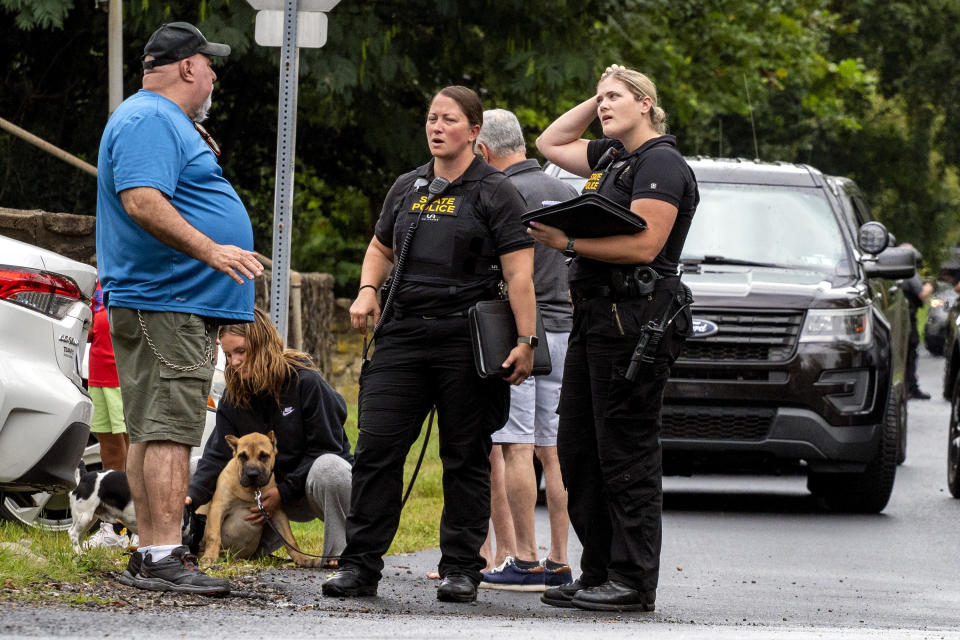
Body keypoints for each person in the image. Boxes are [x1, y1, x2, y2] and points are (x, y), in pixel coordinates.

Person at [322, 86, 537, 604]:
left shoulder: (495, 191)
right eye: (431, 118)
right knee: (376, 450)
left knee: (465, 455)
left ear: (474, 131)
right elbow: (379, 247)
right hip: (402, 336)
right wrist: (368, 290)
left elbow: (520, 274)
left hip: (466, 338)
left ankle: (462, 567)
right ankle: (359, 566)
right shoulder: (408, 186)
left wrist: (527, 341)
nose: (436, 127)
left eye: (449, 119)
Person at [95, 21, 263, 594]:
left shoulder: (162, 120)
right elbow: (142, 200)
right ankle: (165, 553)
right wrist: (212, 250)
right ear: (188, 67)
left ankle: (151, 553)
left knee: (150, 431)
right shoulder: (149, 118)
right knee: (169, 432)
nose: (213, 74)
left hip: (167, 300)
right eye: (208, 64)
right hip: (167, 300)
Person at [531, 64, 697, 612]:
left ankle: (631, 580)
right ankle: (598, 570)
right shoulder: (612, 157)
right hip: (594, 320)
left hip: (636, 321)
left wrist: (568, 242)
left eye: (616, 99)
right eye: (600, 100)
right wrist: (599, 91)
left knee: (625, 452)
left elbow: (647, 245)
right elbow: (550, 142)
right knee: (579, 449)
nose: (603, 107)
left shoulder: (661, 163)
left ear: (645, 104)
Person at [474, 109, 577, 591]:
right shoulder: (564, 190)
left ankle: (522, 557)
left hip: (522, 333)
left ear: (484, 150)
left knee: (510, 445)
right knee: (552, 449)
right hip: (564, 327)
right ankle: (559, 558)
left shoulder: (503, 193)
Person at [187, 308, 353, 565]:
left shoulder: (305, 382)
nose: (234, 362)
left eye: (241, 352)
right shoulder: (234, 397)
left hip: (307, 490)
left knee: (331, 467)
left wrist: (282, 492)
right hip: (261, 495)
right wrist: (191, 497)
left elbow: (328, 448)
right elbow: (217, 455)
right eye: (229, 355)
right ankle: (186, 544)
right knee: (194, 467)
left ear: (262, 345)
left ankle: (341, 554)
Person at [83, 281, 133, 549]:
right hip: (99, 375)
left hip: (126, 377)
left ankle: (130, 525)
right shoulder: (99, 281)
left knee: (135, 451)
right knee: (110, 451)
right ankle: (113, 527)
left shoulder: (135, 270)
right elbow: (91, 328)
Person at [899, 244, 934, 400]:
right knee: (910, 353)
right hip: (907, 318)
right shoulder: (908, 272)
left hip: (898, 316)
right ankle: (911, 388)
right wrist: (930, 285)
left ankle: (905, 387)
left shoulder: (892, 272)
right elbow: (922, 294)